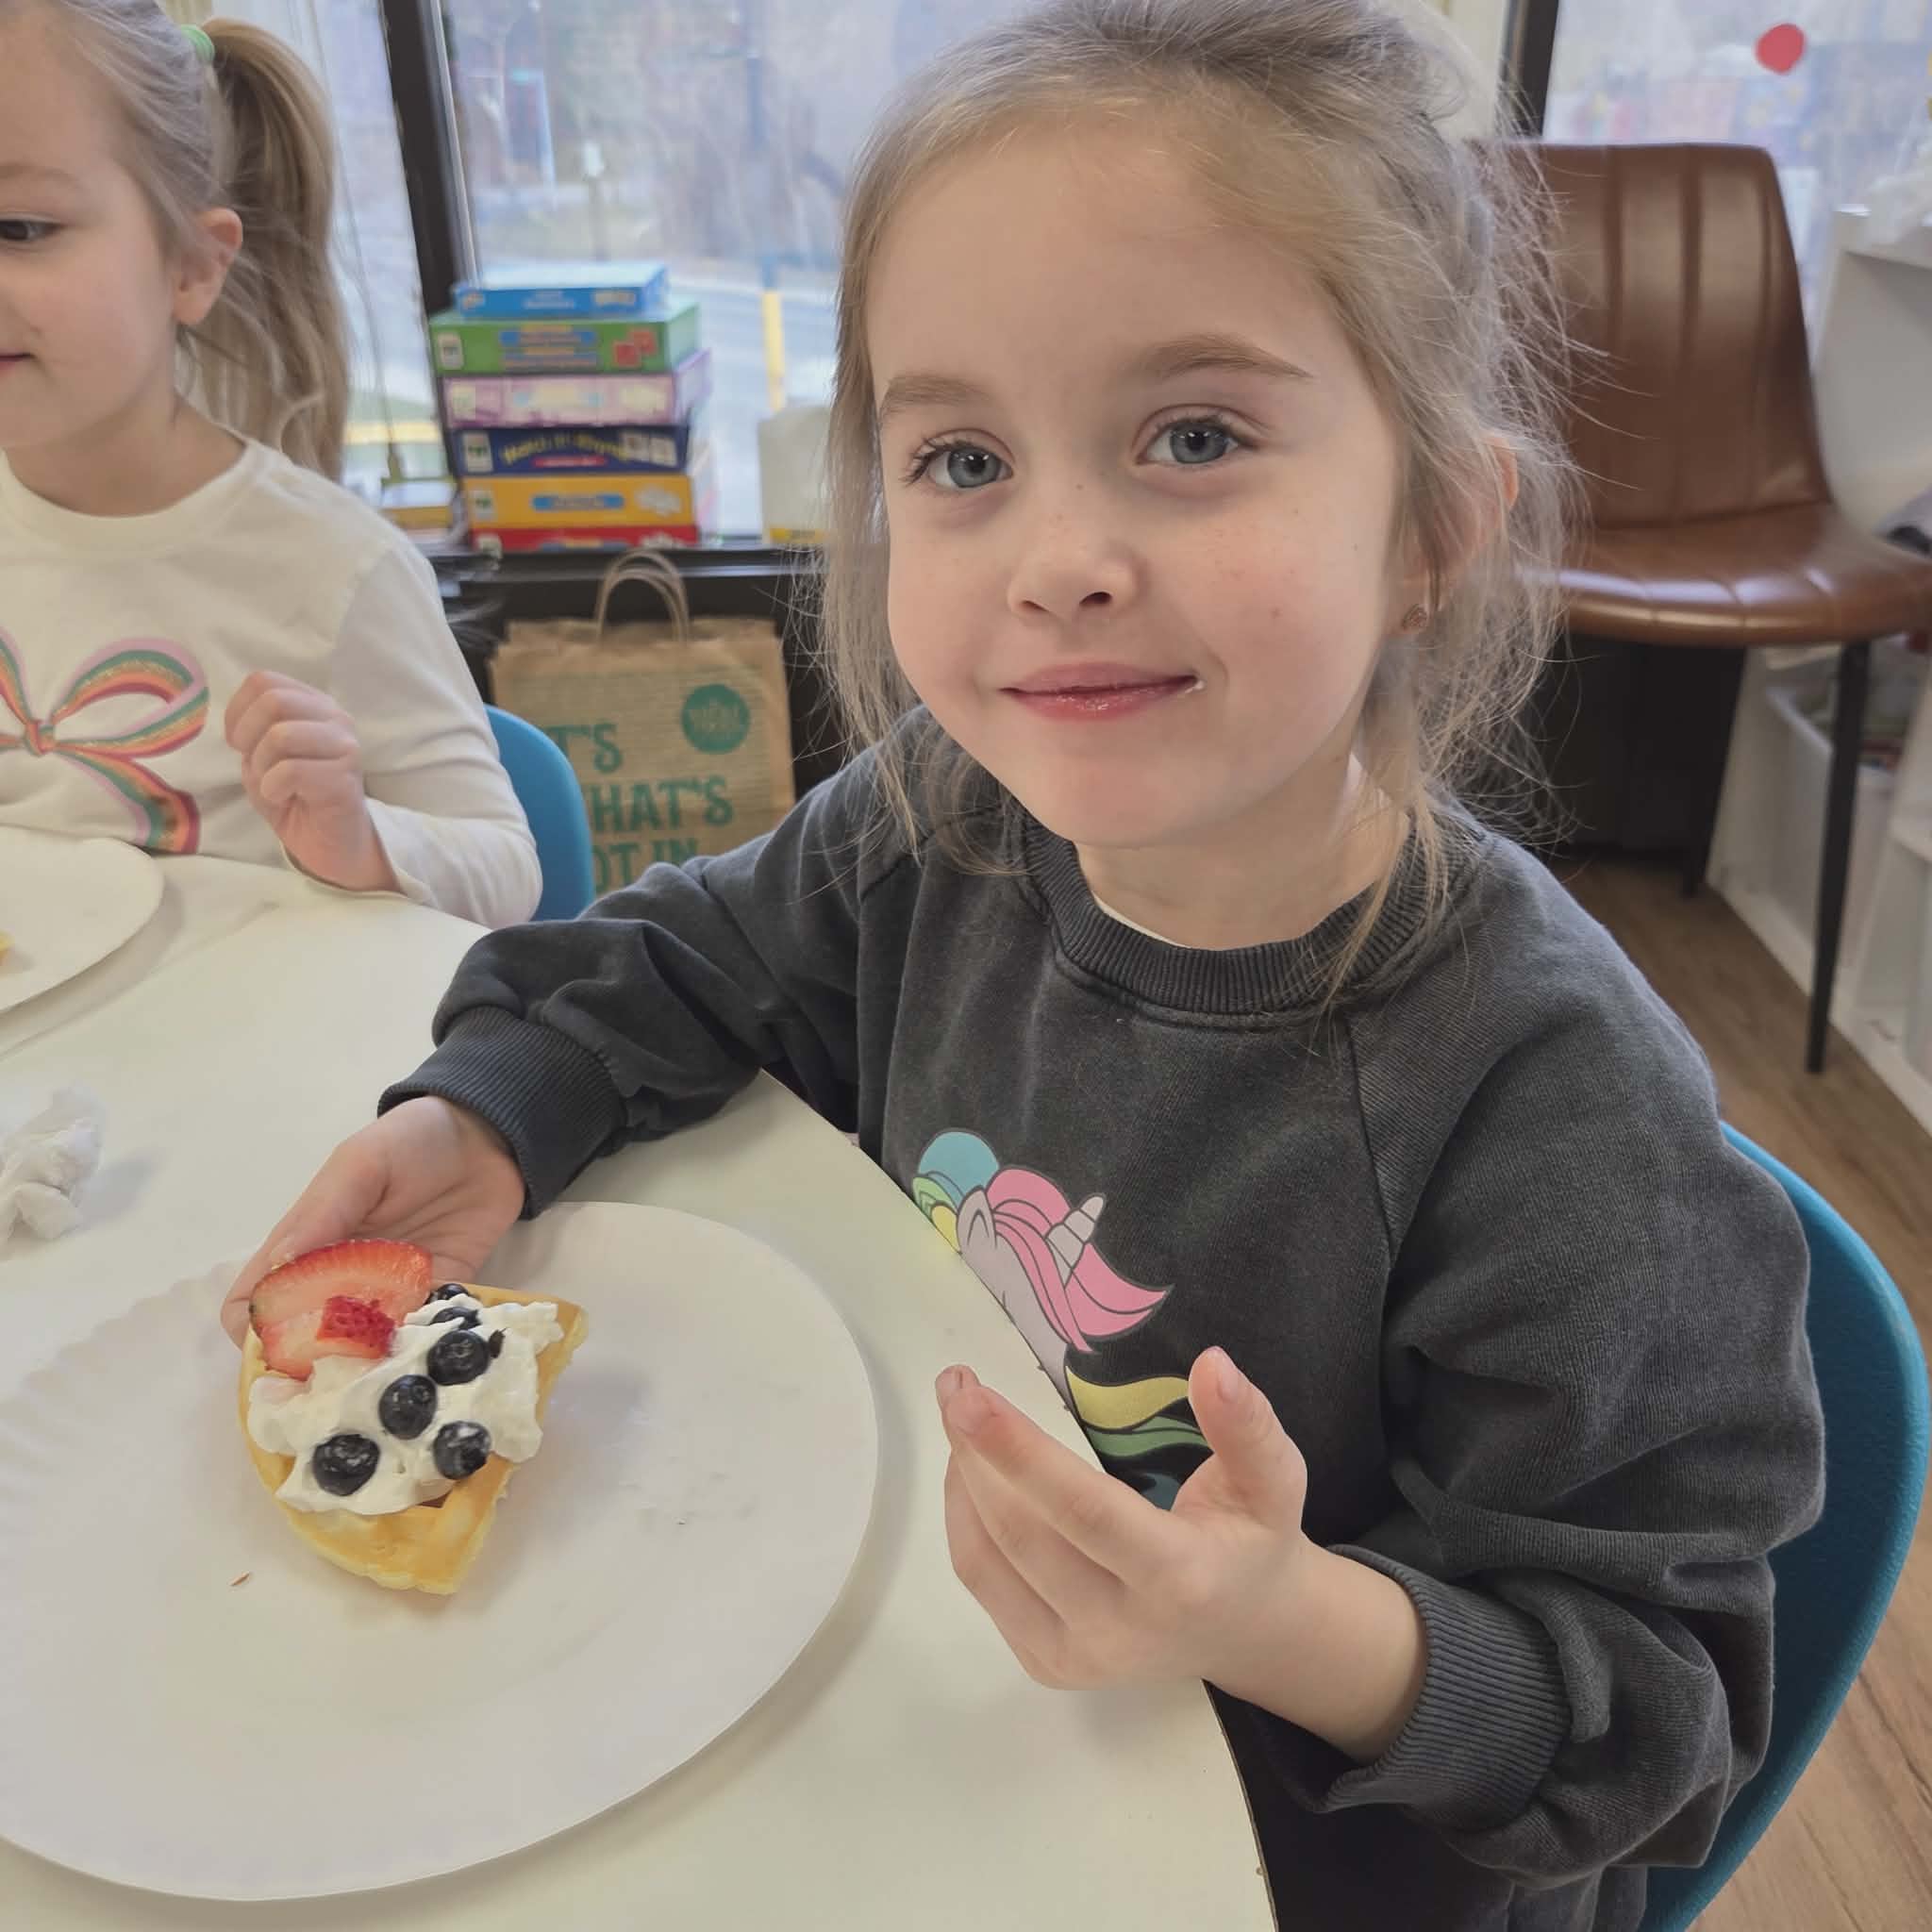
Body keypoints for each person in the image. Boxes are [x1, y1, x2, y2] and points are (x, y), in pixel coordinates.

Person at [225, 4, 1824, 1924]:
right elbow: (684, 957)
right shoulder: (941, 818)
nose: (1055, 555)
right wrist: (488, 1113)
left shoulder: (1555, 1106)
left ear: (1430, 533)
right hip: (912, 1708)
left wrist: (1289, 1620)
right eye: (963, 455)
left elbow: (1657, 1721)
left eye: (1195, 436)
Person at [0, 1, 539, 925]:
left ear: (191, 267)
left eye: (19, 227)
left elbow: (506, 868)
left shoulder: (333, 568)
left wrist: (358, 837)